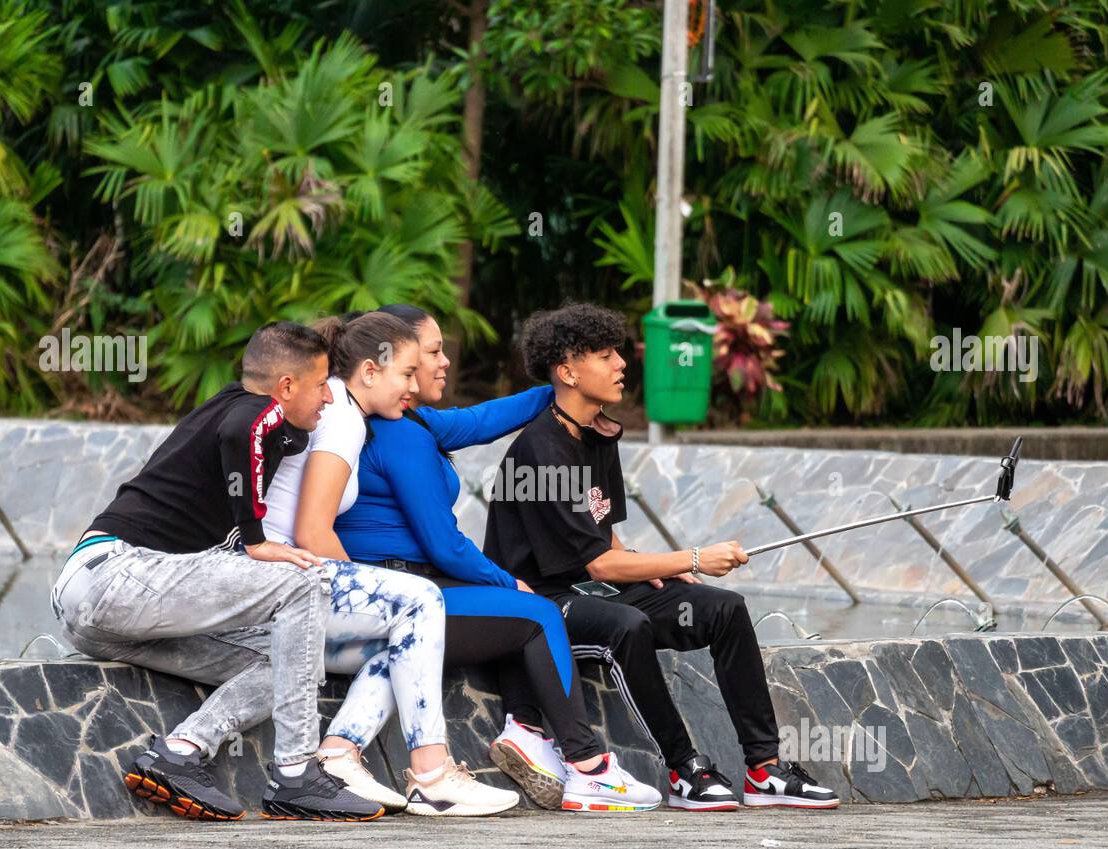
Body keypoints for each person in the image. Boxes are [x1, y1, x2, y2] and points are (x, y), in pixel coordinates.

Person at [482, 303, 840, 811]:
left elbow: (608, 543)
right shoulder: (540, 451)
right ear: (567, 371)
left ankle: (763, 770)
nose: (621, 365)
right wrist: (689, 558)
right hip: (542, 603)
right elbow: (599, 567)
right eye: (605, 356)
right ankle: (684, 769)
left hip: (592, 583)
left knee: (724, 609)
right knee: (628, 625)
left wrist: (660, 572)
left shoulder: (598, 433)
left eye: (618, 353)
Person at [162, 312, 520, 817]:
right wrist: (374, 589)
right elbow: (312, 532)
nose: (415, 387)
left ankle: (338, 754)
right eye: (407, 374)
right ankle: (433, 774)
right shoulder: (343, 416)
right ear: (370, 373)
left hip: (272, 581)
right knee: (418, 600)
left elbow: (473, 423)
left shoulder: (339, 407)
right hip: (273, 583)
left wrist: (547, 398)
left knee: (395, 634)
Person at [52, 321, 385, 822]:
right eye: (321, 386)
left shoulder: (246, 408)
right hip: (117, 573)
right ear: (287, 387)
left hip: (103, 611)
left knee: (289, 659)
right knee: (305, 582)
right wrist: (256, 541)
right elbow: (242, 430)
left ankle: (180, 753)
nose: (329, 400)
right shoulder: (252, 412)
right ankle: (296, 774)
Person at [334, 304, 661, 813]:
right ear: (394, 359)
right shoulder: (400, 435)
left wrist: (569, 391)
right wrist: (507, 581)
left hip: (409, 588)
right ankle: (587, 765)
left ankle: (523, 734)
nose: (445, 361)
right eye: (433, 351)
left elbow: (481, 419)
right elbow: (444, 545)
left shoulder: (415, 422)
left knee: (515, 610)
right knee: (536, 614)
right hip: (397, 592)